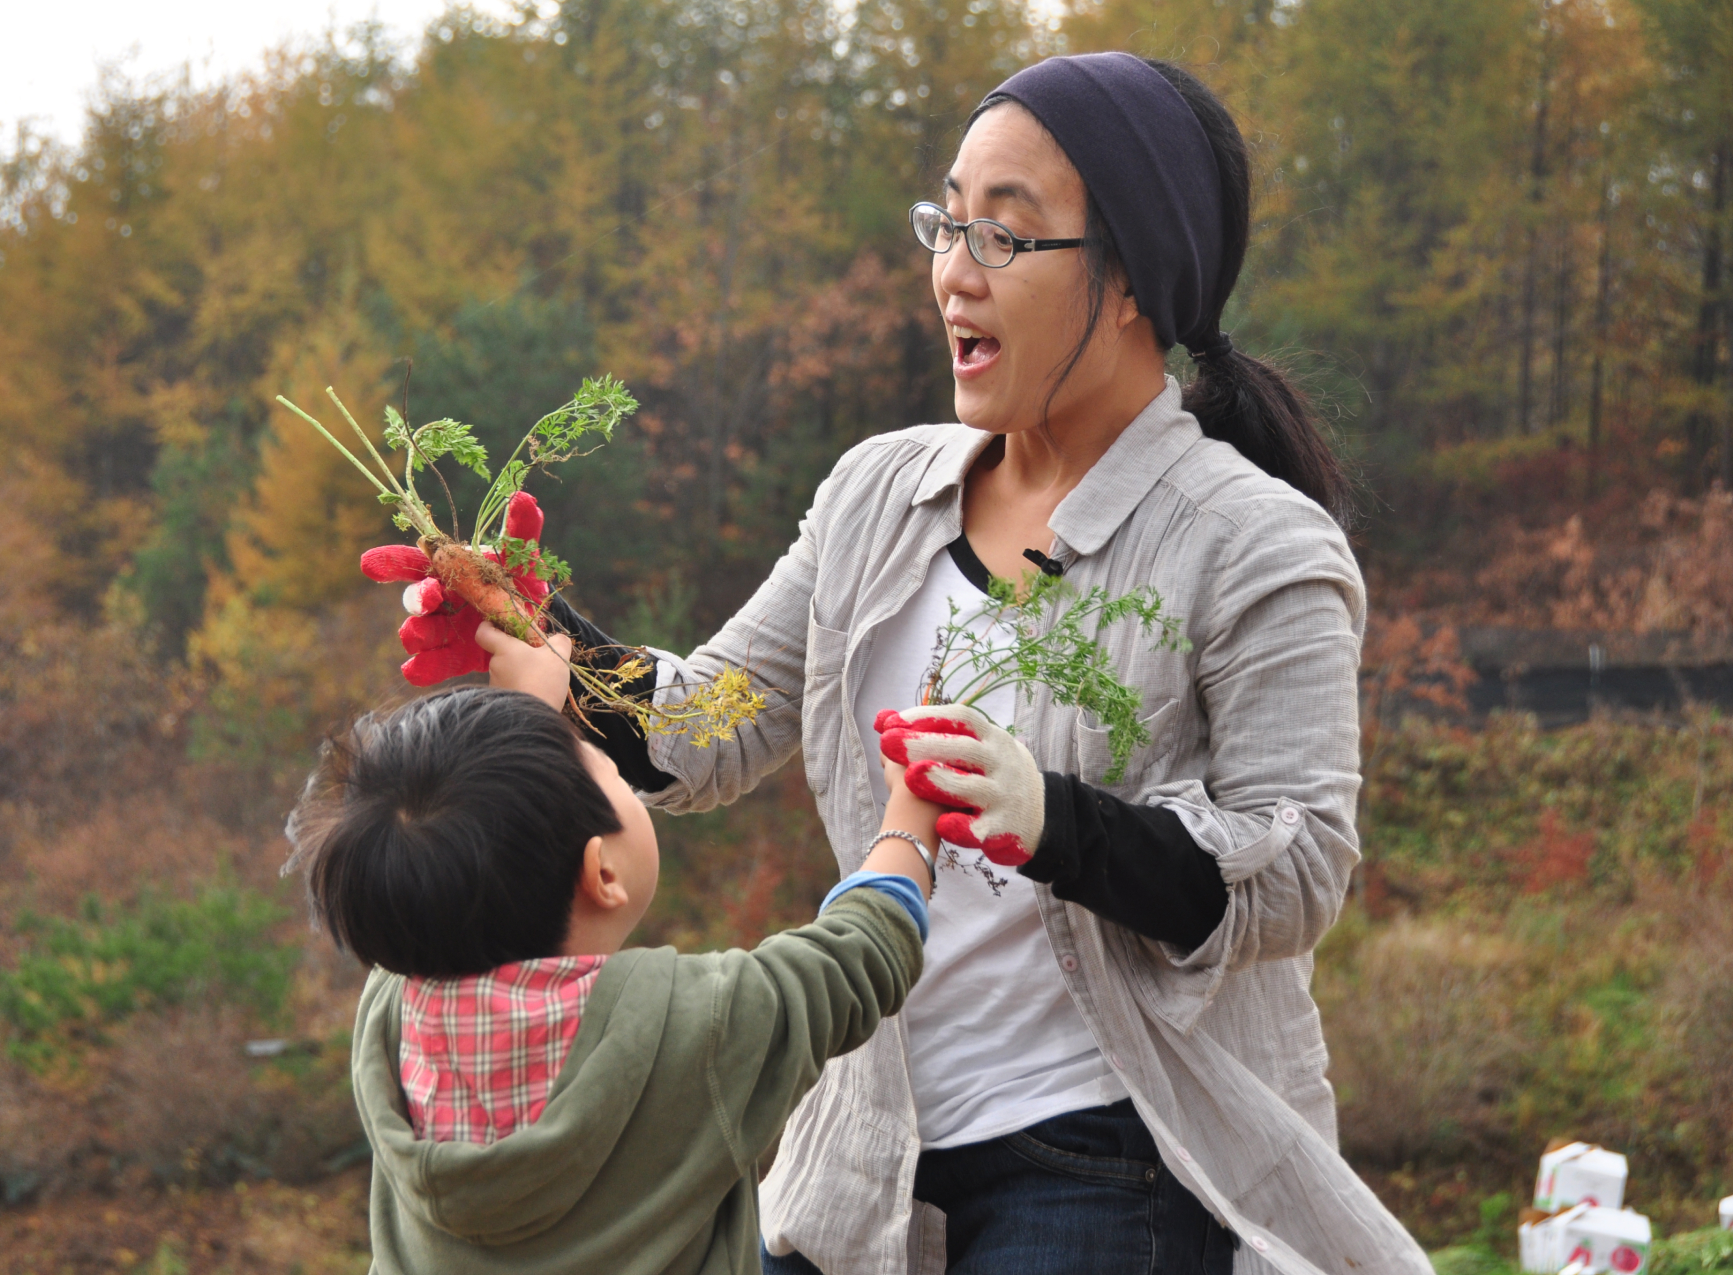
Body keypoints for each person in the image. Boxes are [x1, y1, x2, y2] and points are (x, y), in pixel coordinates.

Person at [377, 52, 1429, 1275]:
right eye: (947, 221)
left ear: (1135, 277)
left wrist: (1055, 822)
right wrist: (550, 639)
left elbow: (1298, 870)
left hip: (1119, 1148)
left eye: (1005, 233)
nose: (952, 271)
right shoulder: (880, 490)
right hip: (872, 1142)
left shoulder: (1255, 543)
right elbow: (712, 725)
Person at [284, 622, 938, 1275]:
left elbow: (454, 858)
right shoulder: (697, 1027)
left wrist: (529, 721)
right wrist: (911, 815)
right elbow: (861, 953)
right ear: (603, 874)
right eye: (611, 771)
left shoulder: (393, 1012)